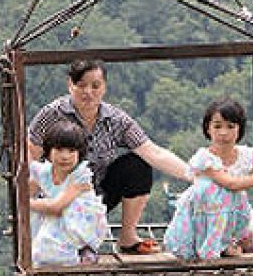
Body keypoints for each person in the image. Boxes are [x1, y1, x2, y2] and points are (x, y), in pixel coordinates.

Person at [27, 58, 193, 254]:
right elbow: (30, 156)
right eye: (81, 85)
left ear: (104, 87)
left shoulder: (116, 120)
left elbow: (153, 152)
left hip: (94, 199)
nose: (88, 92)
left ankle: (128, 238)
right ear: (70, 85)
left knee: (137, 165)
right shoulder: (52, 114)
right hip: (55, 193)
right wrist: (24, 202)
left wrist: (193, 175)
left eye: (95, 86)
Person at [164, 97, 253, 260]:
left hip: (236, 210)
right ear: (208, 129)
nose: (223, 133)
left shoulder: (247, 155)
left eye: (230, 126)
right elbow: (231, 184)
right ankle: (216, 246)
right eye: (217, 126)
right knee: (217, 191)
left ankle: (231, 242)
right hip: (205, 213)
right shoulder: (205, 158)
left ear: (239, 129)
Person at [27, 120, 110, 265]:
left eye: (71, 151)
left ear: (79, 153)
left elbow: (56, 207)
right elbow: (26, 188)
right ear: (49, 151)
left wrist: (29, 204)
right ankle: (59, 248)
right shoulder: (45, 172)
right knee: (37, 222)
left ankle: (82, 250)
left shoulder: (80, 176)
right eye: (59, 150)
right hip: (59, 220)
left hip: (81, 223)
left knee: (60, 209)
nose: (65, 156)